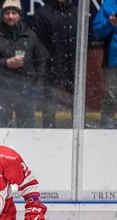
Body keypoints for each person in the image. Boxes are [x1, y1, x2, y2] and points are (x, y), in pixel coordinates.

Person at [0, 0, 47, 128]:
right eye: (7, 13)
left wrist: (36, 86)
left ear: (19, 15)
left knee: (27, 130)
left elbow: (41, 61)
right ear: (2, 15)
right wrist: (5, 63)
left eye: (13, 13)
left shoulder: (30, 36)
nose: (10, 16)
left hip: (25, 91)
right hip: (1, 91)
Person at [33, 0, 77, 128]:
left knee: (77, 100)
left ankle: (80, 128)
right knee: (49, 101)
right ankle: (49, 128)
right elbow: (38, 42)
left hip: (74, 65)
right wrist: (48, 60)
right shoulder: (43, 13)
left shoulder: (76, 13)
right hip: (51, 65)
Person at [93, 0, 117, 129]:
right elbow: (96, 31)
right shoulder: (108, 5)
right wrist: (110, 23)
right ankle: (106, 128)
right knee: (111, 97)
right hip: (113, 61)